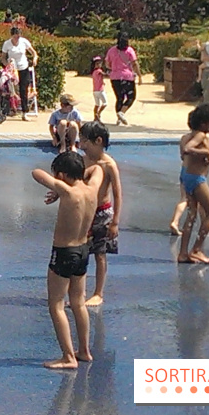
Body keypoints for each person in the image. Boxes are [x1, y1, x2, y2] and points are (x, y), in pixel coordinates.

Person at [32, 152, 102, 369]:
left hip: (63, 253)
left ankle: (68, 357)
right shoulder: (92, 189)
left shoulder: (68, 192)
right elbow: (97, 169)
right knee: (78, 302)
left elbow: (36, 173)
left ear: (61, 175)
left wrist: (57, 187)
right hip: (83, 250)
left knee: (56, 304)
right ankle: (84, 351)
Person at [79, 121, 123, 307]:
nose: (81, 145)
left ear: (98, 141)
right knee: (80, 252)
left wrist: (115, 222)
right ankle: (78, 293)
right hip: (84, 212)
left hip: (103, 213)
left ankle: (98, 292)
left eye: (84, 141)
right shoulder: (82, 160)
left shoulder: (108, 164)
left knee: (100, 253)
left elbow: (117, 194)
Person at [177, 104, 209, 264]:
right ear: (204, 123)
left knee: (192, 214)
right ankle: (196, 249)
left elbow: (187, 155)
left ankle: (183, 253)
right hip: (197, 179)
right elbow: (189, 150)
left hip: (186, 176)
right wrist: (206, 151)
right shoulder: (202, 136)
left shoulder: (186, 136)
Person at [0, 27, 39, 121]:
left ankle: (24, 112)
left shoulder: (24, 42)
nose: (17, 37)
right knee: (11, 89)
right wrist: (7, 65)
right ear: (12, 35)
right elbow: (3, 58)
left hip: (23, 67)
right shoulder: (7, 44)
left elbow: (34, 53)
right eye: (15, 36)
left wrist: (34, 59)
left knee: (23, 89)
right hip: (13, 69)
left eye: (19, 35)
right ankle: (11, 108)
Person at [105, 32, 142, 126]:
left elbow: (107, 64)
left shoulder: (111, 50)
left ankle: (119, 118)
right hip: (127, 77)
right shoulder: (129, 50)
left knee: (119, 98)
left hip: (114, 77)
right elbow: (134, 63)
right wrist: (139, 76)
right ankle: (122, 113)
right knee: (131, 97)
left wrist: (114, 68)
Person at [91, 56, 108, 122]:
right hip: (100, 91)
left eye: (99, 63)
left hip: (95, 91)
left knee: (97, 105)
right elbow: (104, 74)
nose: (99, 65)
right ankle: (98, 114)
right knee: (105, 103)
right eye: (97, 64)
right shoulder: (99, 71)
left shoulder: (93, 72)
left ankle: (95, 117)